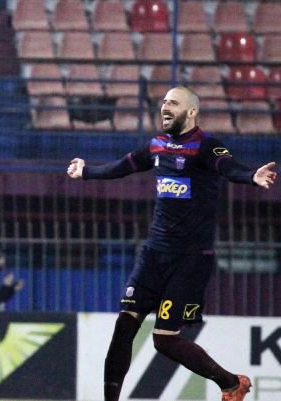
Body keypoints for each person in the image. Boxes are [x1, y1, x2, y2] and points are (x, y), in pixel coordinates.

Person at [66, 86, 277, 401]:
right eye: (164, 102)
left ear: (191, 111)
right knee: (124, 327)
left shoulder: (206, 146)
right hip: (154, 254)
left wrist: (251, 176)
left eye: (173, 103)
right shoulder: (157, 145)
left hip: (190, 260)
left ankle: (231, 382)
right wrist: (87, 172)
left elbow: (227, 167)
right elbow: (125, 165)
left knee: (164, 341)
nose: (165, 106)